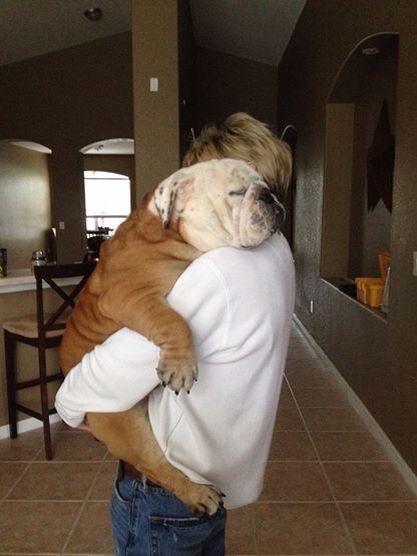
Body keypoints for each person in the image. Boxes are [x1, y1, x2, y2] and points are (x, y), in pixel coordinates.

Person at [55, 113, 295, 555]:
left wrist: (67, 403)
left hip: (165, 492)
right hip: (218, 479)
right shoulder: (278, 254)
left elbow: (106, 376)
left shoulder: (218, 272)